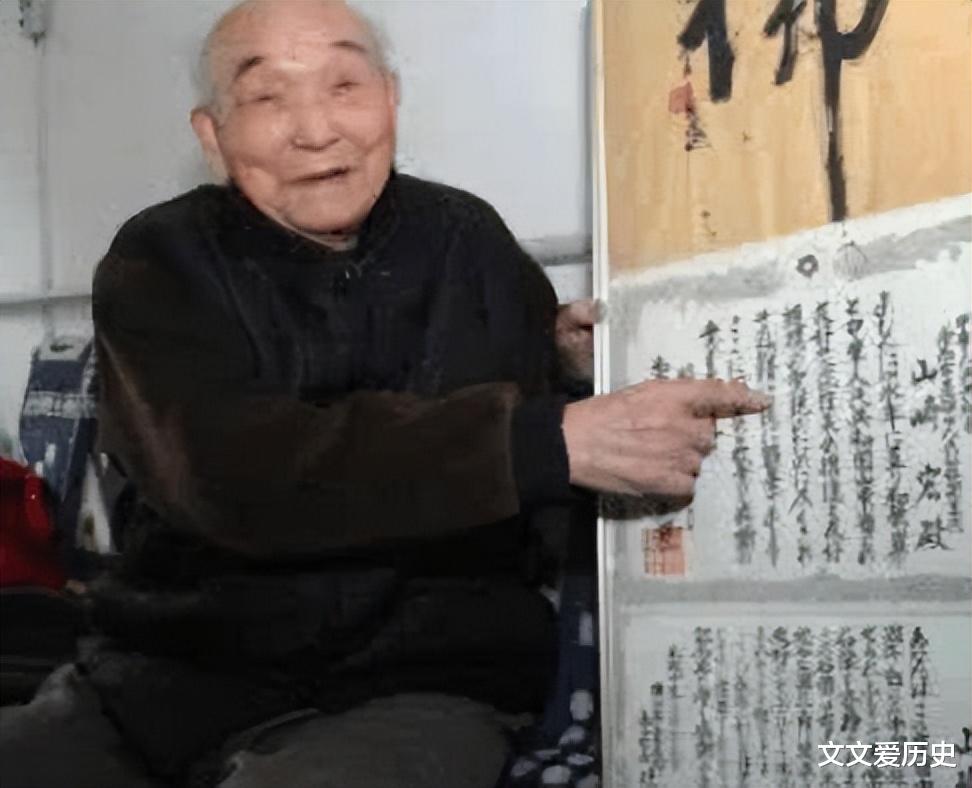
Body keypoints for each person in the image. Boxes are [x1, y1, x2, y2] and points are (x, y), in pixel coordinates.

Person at [0, 2, 770, 787]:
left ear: (391, 101)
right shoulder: (159, 260)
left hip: (418, 682)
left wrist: (570, 366)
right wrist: (538, 441)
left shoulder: (467, 239)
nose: (316, 129)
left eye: (345, 85)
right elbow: (225, 470)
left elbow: (546, 433)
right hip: (169, 677)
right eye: (266, 97)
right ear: (212, 135)